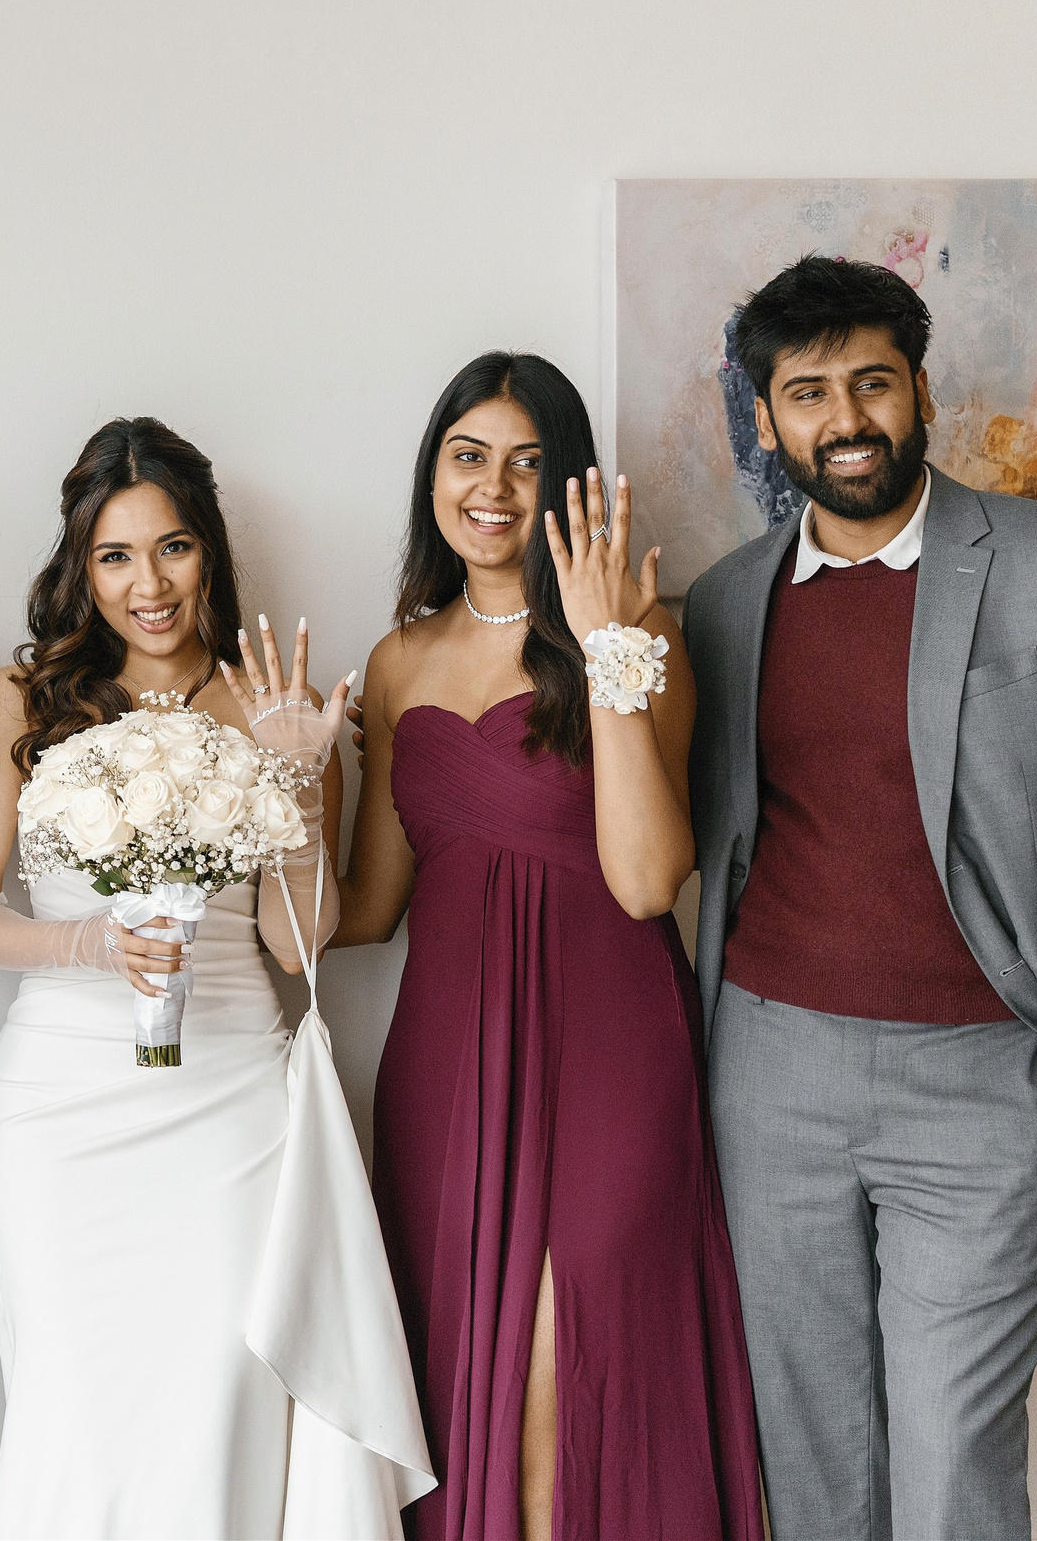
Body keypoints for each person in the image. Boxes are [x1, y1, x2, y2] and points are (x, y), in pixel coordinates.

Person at [686, 256, 1037, 1541]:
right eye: (807, 392)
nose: (845, 417)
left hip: (989, 1087)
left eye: (872, 380)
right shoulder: (723, 605)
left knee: (949, 1462)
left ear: (919, 389)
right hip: (770, 1077)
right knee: (811, 1462)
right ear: (767, 418)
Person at [0, 417, 433, 1540]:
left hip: (230, 1105)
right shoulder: (18, 702)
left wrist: (301, 781)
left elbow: (298, 936)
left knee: (223, 1393)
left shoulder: (269, 704)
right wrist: (84, 946)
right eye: (115, 555)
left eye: (171, 547)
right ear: (80, 565)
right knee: (77, 1402)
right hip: (60, 1110)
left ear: (208, 548)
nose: (146, 583)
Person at [332, 353, 764, 1540]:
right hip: (446, 1062)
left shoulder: (638, 640)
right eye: (467, 455)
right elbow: (366, 908)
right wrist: (277, 778)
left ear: (566, 482)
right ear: (433, 475)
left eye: (528, 461)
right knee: (461, 1359)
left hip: (611, 1048)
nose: (494, 488)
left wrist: (607, 646)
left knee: (564, 1373)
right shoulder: (396, 660)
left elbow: (644, 877)